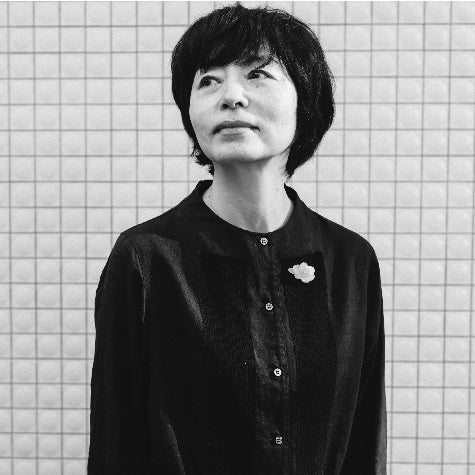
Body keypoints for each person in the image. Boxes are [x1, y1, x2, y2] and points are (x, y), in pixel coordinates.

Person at [87, 3, 387, 474]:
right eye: (208, 80)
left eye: (257, 74)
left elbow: (364, 441)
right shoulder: (147, 259)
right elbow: (116, 443)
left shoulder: (349, 261)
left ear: (305, 100)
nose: (231, 96)